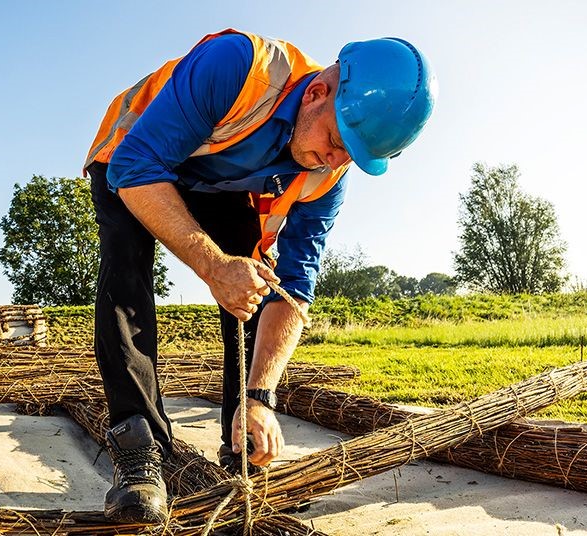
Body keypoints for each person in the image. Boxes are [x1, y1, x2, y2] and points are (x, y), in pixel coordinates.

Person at [83, 28, 437, 524]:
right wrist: (211, 265)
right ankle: (138, 444)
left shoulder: (328, 174)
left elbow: (294, 287)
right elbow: (136, 167)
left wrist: (261, 396)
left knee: (251, 283)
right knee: (125, 268)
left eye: (350, 156)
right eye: (335, 142)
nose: (334, 163)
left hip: (221, 181)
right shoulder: (238, 68)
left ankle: (241, 440)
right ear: (317, 94)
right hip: (135, 154)